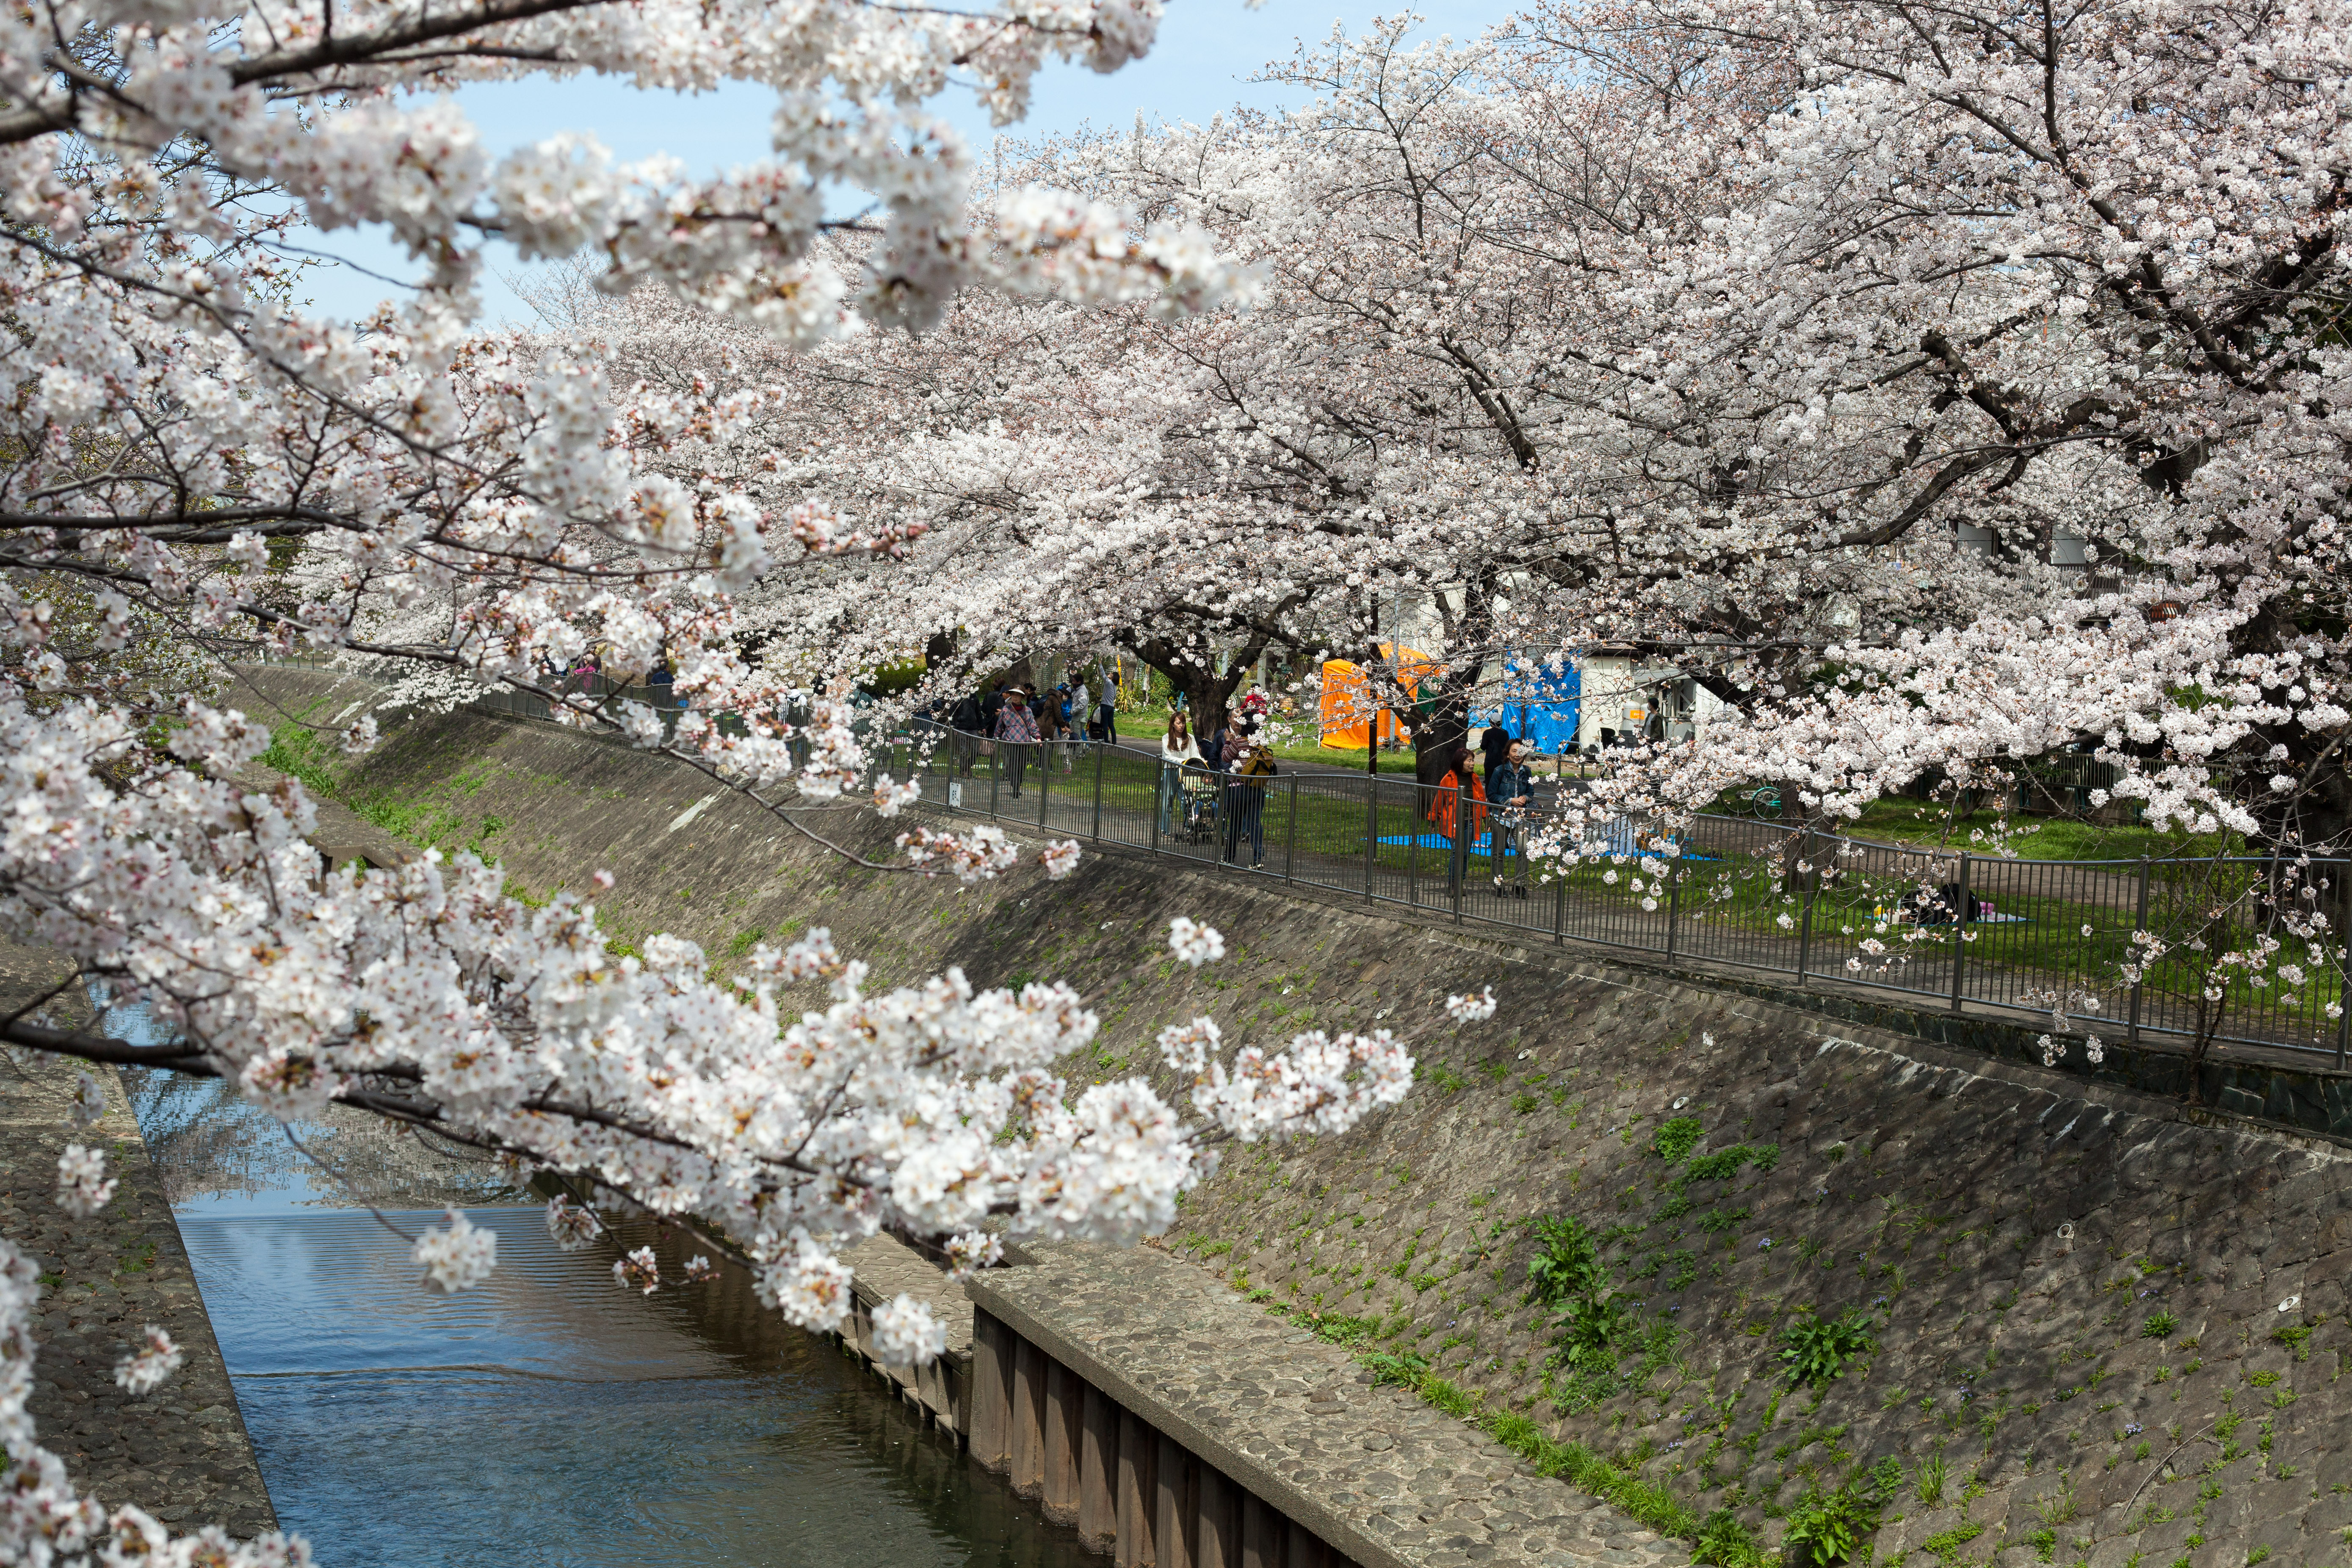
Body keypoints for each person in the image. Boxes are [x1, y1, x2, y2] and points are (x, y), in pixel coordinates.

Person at [1219, 719, 1277, 868]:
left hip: (1239, 789)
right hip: (1257, 790)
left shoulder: (1239, 742)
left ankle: (1229, 858)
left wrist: (1227, 741)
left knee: (1235, 825)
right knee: (1255, 824)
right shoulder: (1260, 745)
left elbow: (1225, 757)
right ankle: (1258, 859)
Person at [1486, 739, 1536, 898]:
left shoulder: (1527, 772)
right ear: (1508, 754)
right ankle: (1499, 885)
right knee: (1499, 852)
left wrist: (1525, 798)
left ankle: (1520, 886)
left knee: (1524, 848)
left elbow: (1530, 791)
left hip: (1520, 817)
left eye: (1520, 752)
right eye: (1514, 751)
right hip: (1501, 816)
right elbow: (1492, 795)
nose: (1517, 755)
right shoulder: (1499, 771)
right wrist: (1510, 800)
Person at [1158, 713, 1203, 835]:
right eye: (1179, 723)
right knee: (1167, 801)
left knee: (1187, 801)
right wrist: (1184, 762)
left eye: (1183, 723)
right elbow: (1168, 757)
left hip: (1187, 773)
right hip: (1171, 771)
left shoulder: (1190, 738)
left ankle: (1189, 827)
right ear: (1173, 724)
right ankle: (1165, 829)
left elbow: (1195, 754)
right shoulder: (1166, 738)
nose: (1182, 726)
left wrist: (1202, 762)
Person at [995, 683, 1039, 796]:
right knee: (1014, 763)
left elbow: (1032, 725)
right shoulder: (1006, 710)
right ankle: (1015, 785)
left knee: (1022, 764)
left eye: (1018, 695)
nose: (1015, 697)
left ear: (1022, 697)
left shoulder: (1028, 711)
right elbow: (999, 726)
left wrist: (1038, 737)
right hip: (1010, 741)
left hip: (1024, 742)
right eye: (1013, 695)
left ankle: (1018, 783)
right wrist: (996, 738)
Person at [949, 687, 986, 776]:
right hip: (961, 727)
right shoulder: (957, 697)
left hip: (974, 728)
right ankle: (964, 771)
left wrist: (982, 727)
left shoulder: (974, 697)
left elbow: (978, 713)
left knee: (976, 750)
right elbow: (952, 712)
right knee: (964, 751)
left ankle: (968, 765)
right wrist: (953, 726)